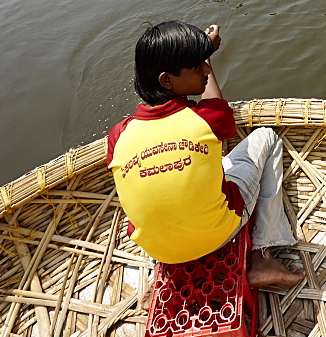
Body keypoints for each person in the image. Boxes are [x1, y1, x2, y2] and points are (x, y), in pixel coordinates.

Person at [107, 20, 305, 291]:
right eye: (196, 66)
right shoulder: (206, 118)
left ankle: (160, 276)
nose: (203, 70)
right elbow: (217, 103)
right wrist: (207, 55)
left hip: (161, 250)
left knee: (159, 191)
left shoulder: (119, 135)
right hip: (218, 233)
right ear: (166, 79)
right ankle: (262, 257)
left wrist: (197, 55)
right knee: (267, 138)